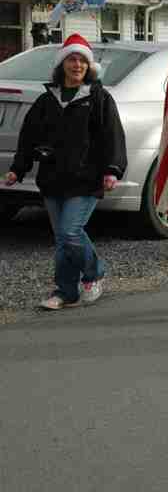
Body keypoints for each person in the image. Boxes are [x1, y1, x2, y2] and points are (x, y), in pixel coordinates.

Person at [5, 34, 126, 310]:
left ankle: (95, 273)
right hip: (53, 179)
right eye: (72, 59)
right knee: (62, 239)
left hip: (86, 179)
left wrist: (113, 169)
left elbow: (113, 136)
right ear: (62, 64)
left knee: (70, 232)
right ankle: (66, 291)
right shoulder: (47, 100)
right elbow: (28, 138)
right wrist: (18, 169)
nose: (77, 65)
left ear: (89, 66)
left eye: (82, 60)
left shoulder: (98, 98)